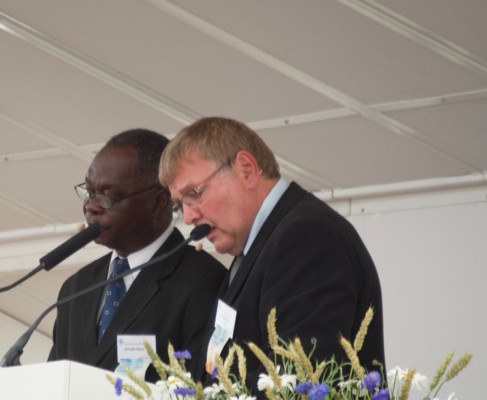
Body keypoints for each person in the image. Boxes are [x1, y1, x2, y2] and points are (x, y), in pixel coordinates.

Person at [159, 117, 385, 384]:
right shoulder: (257, 247)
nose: (188, 217)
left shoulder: (306, 236)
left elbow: (300, 378)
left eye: (194, 194)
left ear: (246, 169)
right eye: (180, 205)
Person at [48, 128, 226, 380]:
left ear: (158, 202)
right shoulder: (76, 288)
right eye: (89, 192)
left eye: (108, 196)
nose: (91, 206)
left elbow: (206, 383)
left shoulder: (204, 281)